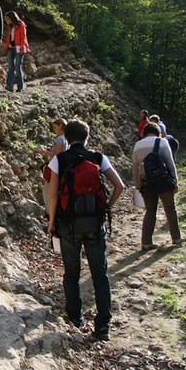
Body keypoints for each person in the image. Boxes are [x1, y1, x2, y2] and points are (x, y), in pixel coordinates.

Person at [47, 119, 125, 341]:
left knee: (71, 273)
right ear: (87, 136)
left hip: (68, 225)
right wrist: (106, 208)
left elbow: (53, 195)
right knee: (100, 275)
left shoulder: (58, 160)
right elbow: (120, 186)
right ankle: (102, 327)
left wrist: (52, 222)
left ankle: (75, 319)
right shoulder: (98, 158)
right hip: (94, 223)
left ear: (67, 138)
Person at [132, 122, 186, 250]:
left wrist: (137, 185)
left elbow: (135, 167)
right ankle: (176, 238)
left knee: (150, 211)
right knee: (170, 208)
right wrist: (175, 182)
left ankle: (146, 242)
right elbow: (170, 163)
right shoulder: (162, 142)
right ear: (159, 133)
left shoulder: (137, 145)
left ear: (143, 133)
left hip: (146, 183)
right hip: (163, 181)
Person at [37, 118, 69, 214]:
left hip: (56, 168)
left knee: (48, 190)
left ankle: (50, 213)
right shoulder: (66, 138)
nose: (54, 129)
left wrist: (42, 151)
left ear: (60, 126)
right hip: (62, 168)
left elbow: (57, 154)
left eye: (55, 127)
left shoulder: (59, 139)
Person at [2, 11, 30, 92]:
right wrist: (6, 48)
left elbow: (24, 38)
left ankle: (20, 87)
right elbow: (9, 38)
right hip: (11, 48)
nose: (7, 20)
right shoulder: (10, 26)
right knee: (11, 67)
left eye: (7, 18)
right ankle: (9, 86)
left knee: (18, 67)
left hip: (19, 48)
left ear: (12, 17)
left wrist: (21, 48)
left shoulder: (21, 25)